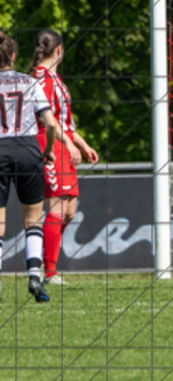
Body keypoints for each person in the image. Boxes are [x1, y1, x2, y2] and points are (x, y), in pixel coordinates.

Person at [30, 30, 100, 285]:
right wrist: (68, 144)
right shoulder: (40, 79)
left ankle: (45, 261)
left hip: (64, 145)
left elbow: (65, 122)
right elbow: (48, 122)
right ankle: (49, 270)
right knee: (57, 207)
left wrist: (82, 144)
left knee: (69, 211)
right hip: (48, 145)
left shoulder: (56, 79)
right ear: (59, 49)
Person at [0, 31, 61, 303]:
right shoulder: (29, 82)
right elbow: (51, 124)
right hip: (27, 149)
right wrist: (47, 151)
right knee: (33, 219)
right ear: (13, 56)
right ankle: (35, 275)